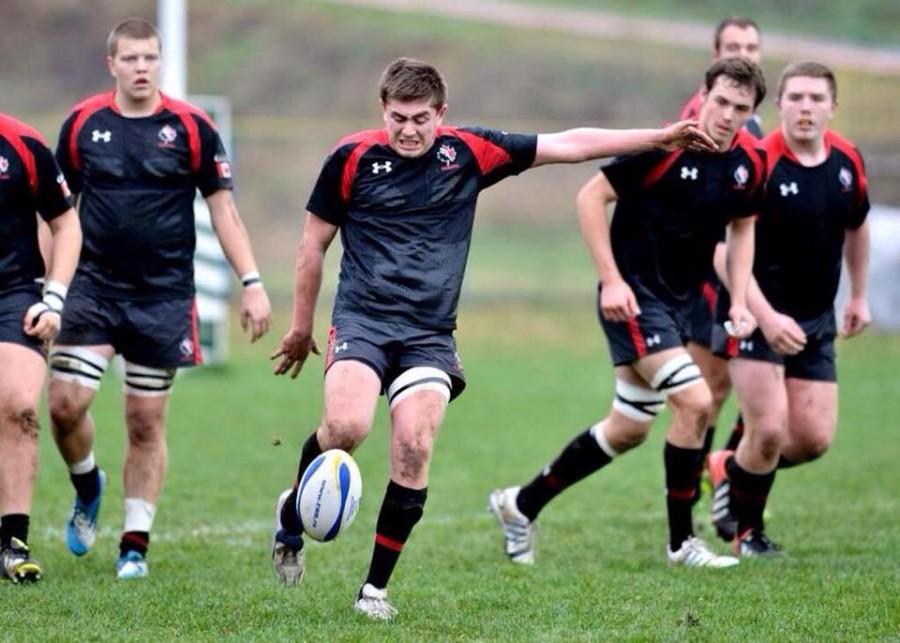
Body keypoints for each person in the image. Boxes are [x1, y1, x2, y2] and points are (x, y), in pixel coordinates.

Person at [269, 56, 717, 620]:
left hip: (428, 335)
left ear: (442, 114)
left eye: (421, 118)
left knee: (414, 446)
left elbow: (568, 144)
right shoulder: (352, 157)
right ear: (383, 109)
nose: (409, 130)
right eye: (398, 117)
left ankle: (374, 591)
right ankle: (293, 516)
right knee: (346, 428)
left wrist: (660, 137)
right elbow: (313, 245)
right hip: (362, 319)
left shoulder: (469, 152)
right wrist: (301, 327)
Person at [489, 57, 766, 570]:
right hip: (634, 298)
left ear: (751, 113)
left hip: (680, 305)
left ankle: (519, 505)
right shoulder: (664, 145)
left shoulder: (751, 160)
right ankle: (682, 543)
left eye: (740, 107)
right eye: (720, 101)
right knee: (696, 400)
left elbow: (743, 226)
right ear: (703, 95)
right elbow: (591, 198)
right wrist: (611, 280)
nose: (726, 114)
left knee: (628, 427)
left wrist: (743, 300)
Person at [50, 18, 272, 580]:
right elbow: (52, 213)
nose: (142, 67)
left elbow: (225, 211)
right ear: (113, 65)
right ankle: (87, 483)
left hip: (163, 294)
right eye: (131, 59)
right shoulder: (82, 124)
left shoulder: (192, 128)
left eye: (150, 57)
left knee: (144, 421)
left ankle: (134, 544)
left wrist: (252, 283)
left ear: (161, 62)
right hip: (92, 287)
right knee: (64, 406)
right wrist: (43, 286)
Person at [706, 61, 870, 555]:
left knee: (812, 440)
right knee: (771, 429)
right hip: (753, 314)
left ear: (832, 107)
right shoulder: (757, 160)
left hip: (815, 319)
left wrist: (858, 295)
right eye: (795, 98)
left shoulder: (847, 161)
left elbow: (858, 226)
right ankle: (747, 533)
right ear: (780, 105)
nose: (805, 108)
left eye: (816, 99)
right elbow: (721, 249)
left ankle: (727, 468)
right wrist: (766, 315)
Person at [678, 18, 766, 512]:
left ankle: (721, 474)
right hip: (710, 277)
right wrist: (741, 292)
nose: (745, 53)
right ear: (714, 55)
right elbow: (708, 218)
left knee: (738, 381)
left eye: (752, 46)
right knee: (708, 388)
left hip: (742, 273)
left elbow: (744, 214)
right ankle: (698, 491)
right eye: (734, 46)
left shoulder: (749, 119)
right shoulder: (703, 117)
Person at [0, 112, 81, 583]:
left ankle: (12, 542)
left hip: (15, 292)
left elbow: (66, 224)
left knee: (19, 405)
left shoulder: (23, 143)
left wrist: (54, 298)